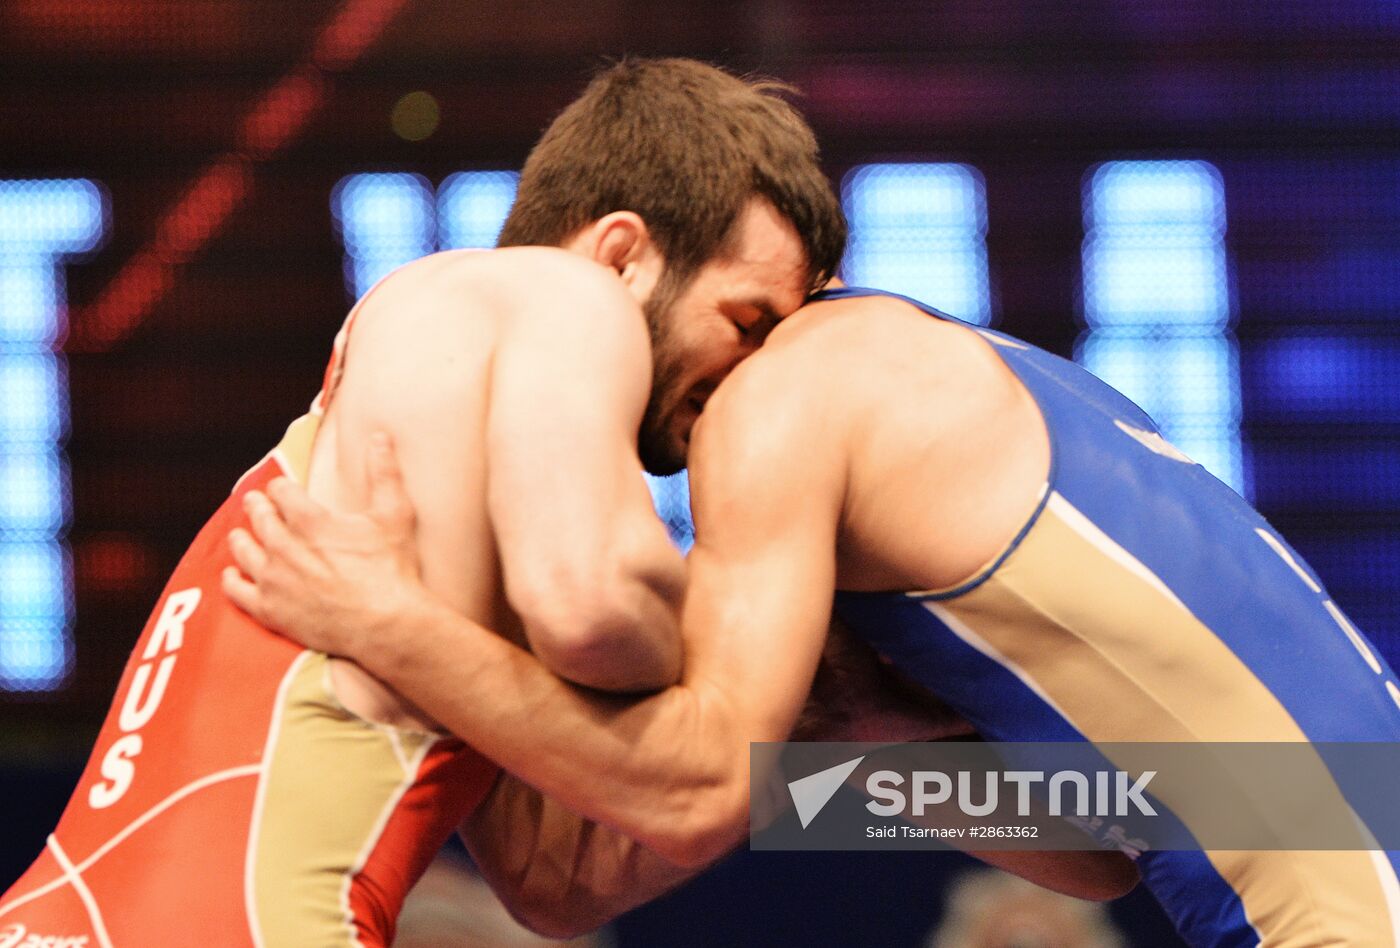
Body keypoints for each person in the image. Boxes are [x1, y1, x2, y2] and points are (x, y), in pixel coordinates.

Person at [227, 283, 1400, 946]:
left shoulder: (798, 408)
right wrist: (834, 757)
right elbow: (1102, 848)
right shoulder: (992, 438)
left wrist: (394, 622)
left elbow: (614, 842)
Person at [0, 57, 849, 947]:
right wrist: (748, 659)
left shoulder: (443, 441)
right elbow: (594, 610)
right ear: (622, 253)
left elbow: (551, 879)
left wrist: (401, 630)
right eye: (747, 325)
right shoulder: (564, 295)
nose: (752, 387)